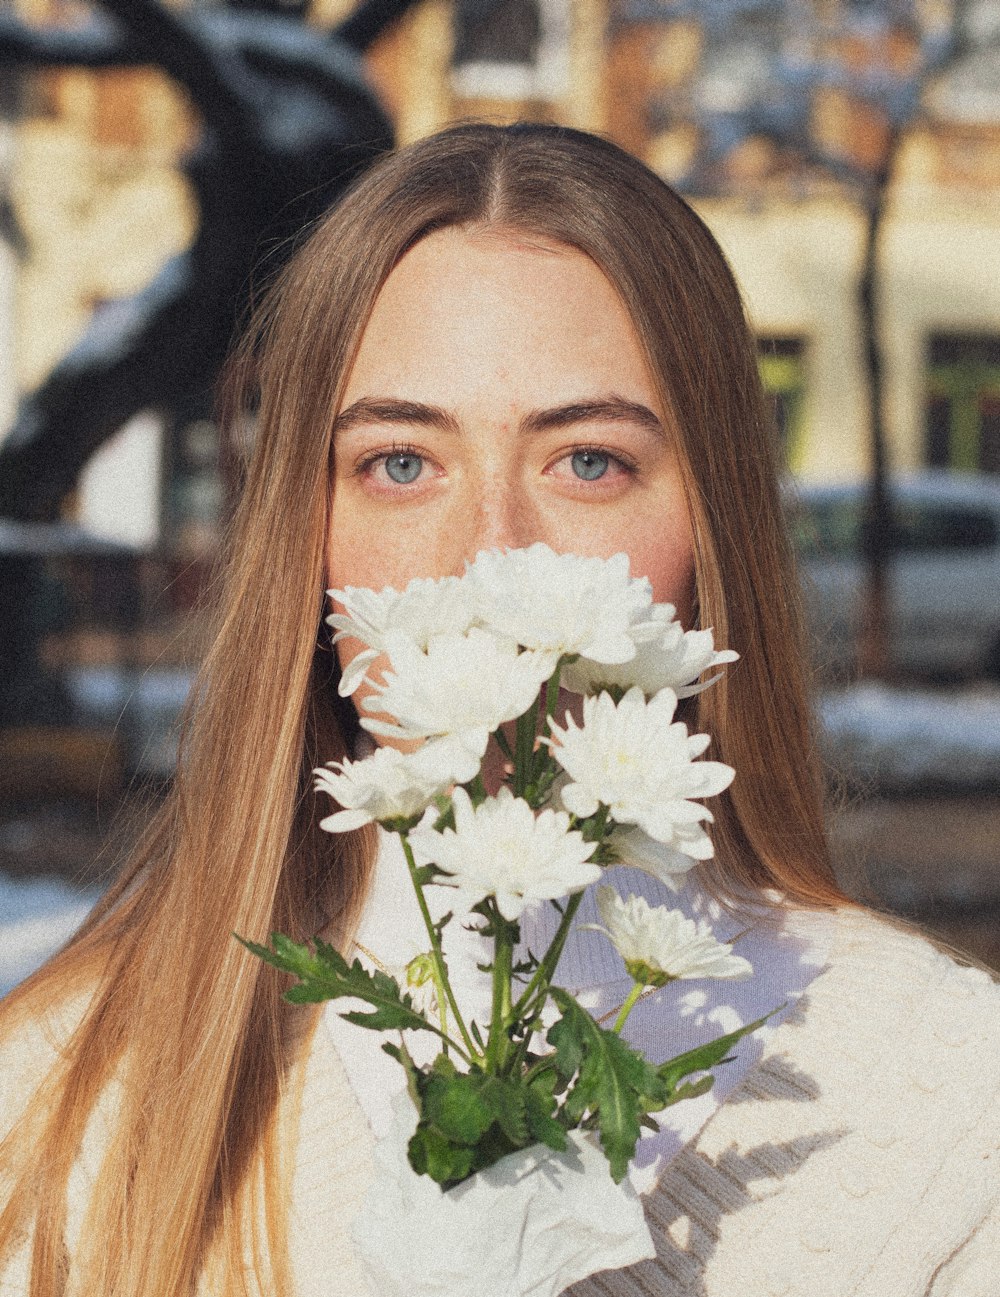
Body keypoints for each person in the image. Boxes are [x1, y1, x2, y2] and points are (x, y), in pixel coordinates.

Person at [1, 122, 997, 1297]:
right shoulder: (62, 1092)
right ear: (304, 540)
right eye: (401, 463)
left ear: (711, 525)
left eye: (586, 461)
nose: (490, 559)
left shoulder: (945, 1101)